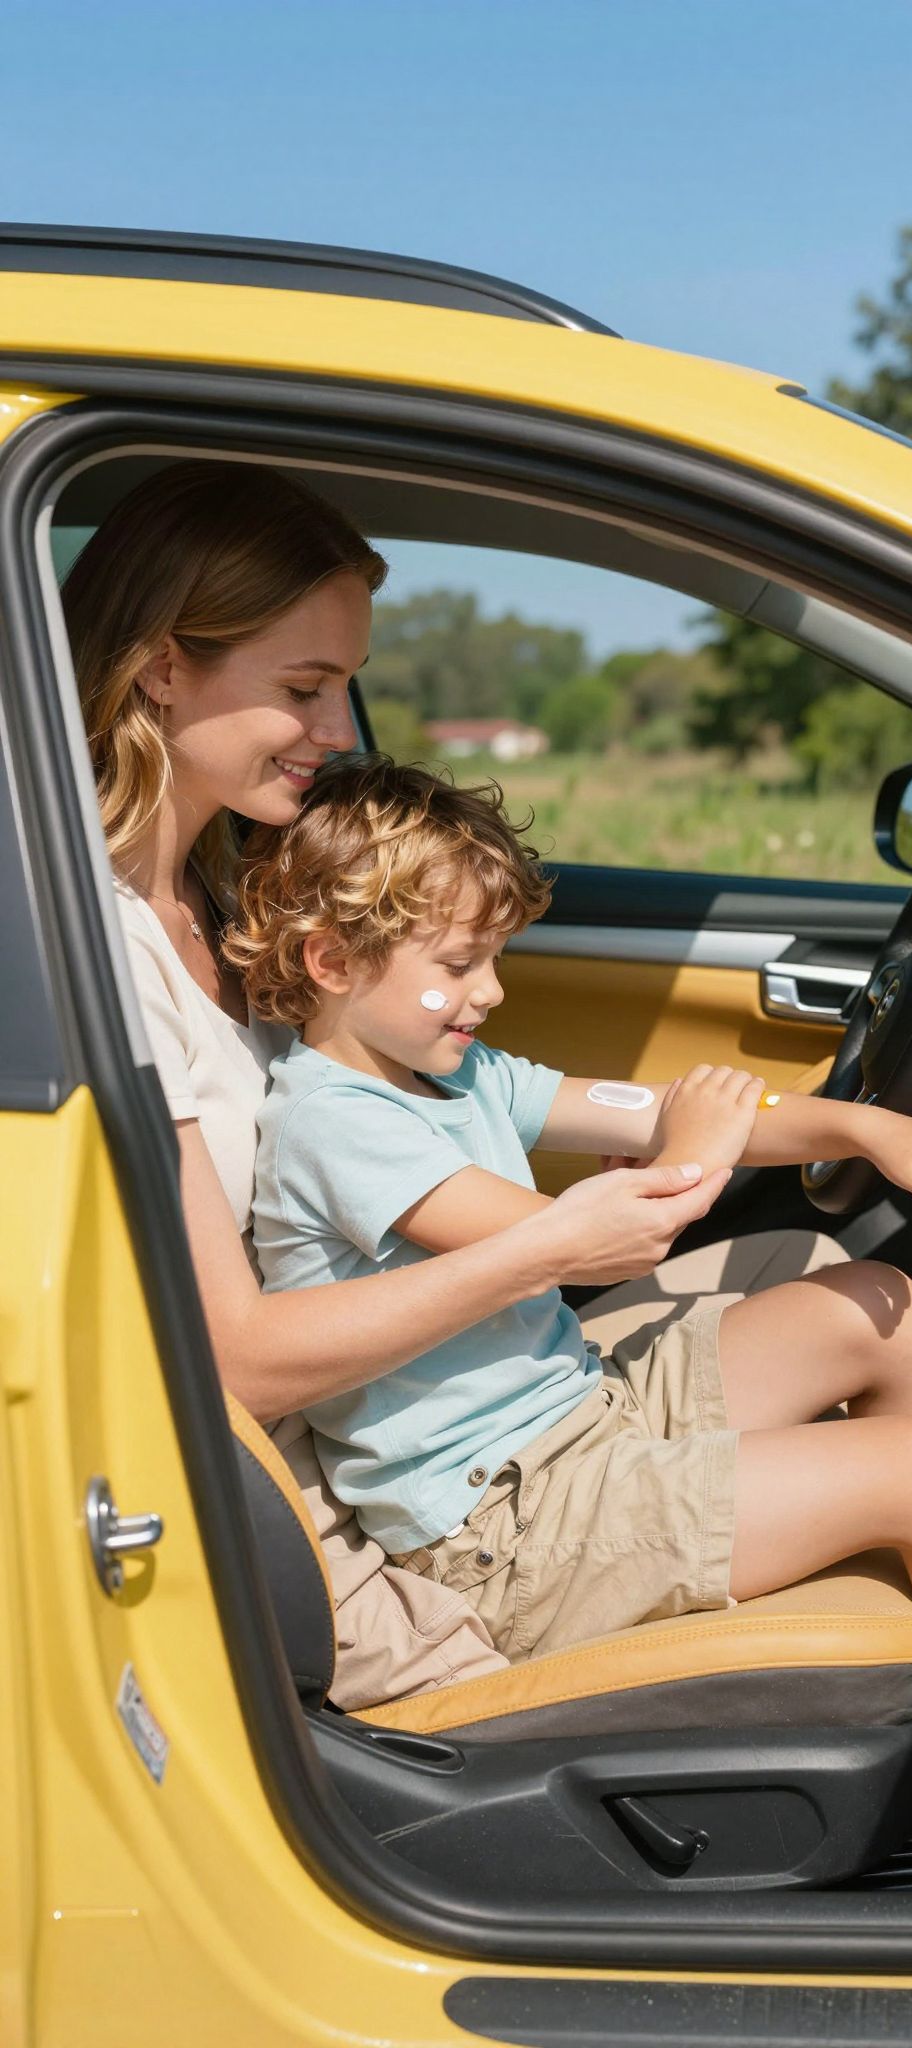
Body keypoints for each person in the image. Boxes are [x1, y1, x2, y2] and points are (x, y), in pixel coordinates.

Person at [230, 749, 912, 1892]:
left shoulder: (450, 1075)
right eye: (459, 963)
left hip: (579, 1421)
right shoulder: (335, 1122)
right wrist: (694, 1153)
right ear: (331, 959)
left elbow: (656, 1103)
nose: (491, 990)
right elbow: (569, 1233)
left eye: (496, 958)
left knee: (885, 1308)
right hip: (505, 1534)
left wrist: (856, 1129)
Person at [63, 456, 839, 1711]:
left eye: (347, 686)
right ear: (160, 667)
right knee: (897, 1459)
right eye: (304, 687)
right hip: (365, 1508)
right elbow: (243, 1364)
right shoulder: (101, 949)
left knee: (853, 1294)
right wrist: (559, 1242)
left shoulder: (224, 893)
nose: (335, 730)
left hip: (436, 1401)